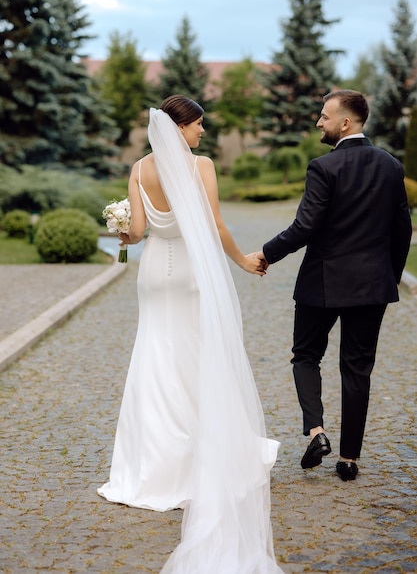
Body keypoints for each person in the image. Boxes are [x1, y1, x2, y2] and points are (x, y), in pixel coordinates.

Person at [98, 95, 283, 573]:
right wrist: (243, 261)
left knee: (154, 356)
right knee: (195, 359)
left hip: (154, 273)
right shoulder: (200, 167)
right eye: (199, 124)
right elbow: (215, 224)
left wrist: (123, 233)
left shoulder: (139, 169)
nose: (203, 132)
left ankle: (151, 469)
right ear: (179, 127)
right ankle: (199, 460)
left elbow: (138, 231)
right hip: (190, 274)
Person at [255, 90, 412, 482]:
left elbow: (305, 227)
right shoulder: (392, 167)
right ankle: (349, 460)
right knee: (357, 369)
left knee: (306, 356)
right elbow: (402, 230)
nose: (318, 123)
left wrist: (265, 254)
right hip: (372, 286)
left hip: (321, 283)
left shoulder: (323, 167)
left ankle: (316, 431)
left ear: (346, 123)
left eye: (324, 117)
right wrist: (388, 277)